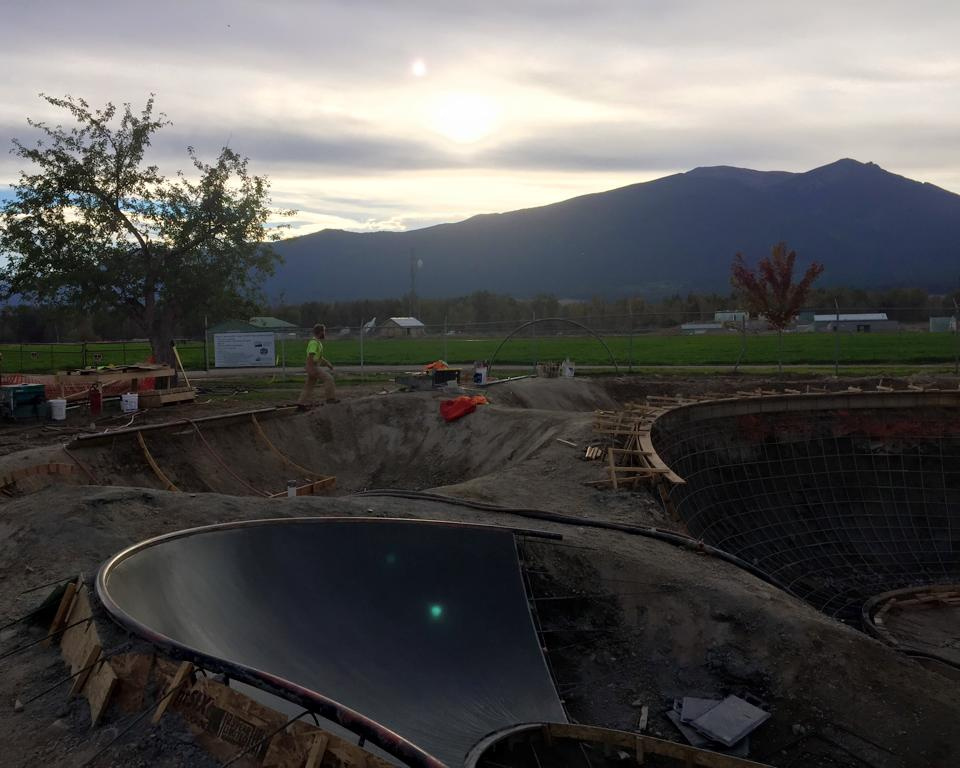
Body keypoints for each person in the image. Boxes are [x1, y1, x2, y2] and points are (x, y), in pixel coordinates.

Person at [298, 323, 337, 406]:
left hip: (312, 366)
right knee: (329, 379)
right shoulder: (314, 343)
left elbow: (319, 358)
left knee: (309, 386)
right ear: (321, 332)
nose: (325, 333)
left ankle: (300, 404)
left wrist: (328, 364)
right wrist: (311, 367)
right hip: (313, 366)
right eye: (324, 331)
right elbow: (311, 355)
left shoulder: (317, 343)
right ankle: (330, 399)